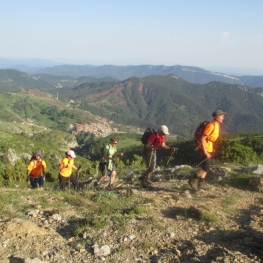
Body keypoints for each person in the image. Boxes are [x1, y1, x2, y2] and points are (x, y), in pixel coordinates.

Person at [188, 110, 226, 190]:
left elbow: (212, 138)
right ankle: (193, 179)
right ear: (216, 117)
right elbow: (203, 138)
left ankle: (201, 184)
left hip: (209, 147)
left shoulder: (216, 125)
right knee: (206, 167)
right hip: (205, 148)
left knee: (205, 167)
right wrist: (205, 151)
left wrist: (213, 148)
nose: (223, 118)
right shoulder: (211, 125)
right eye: (222, 116)